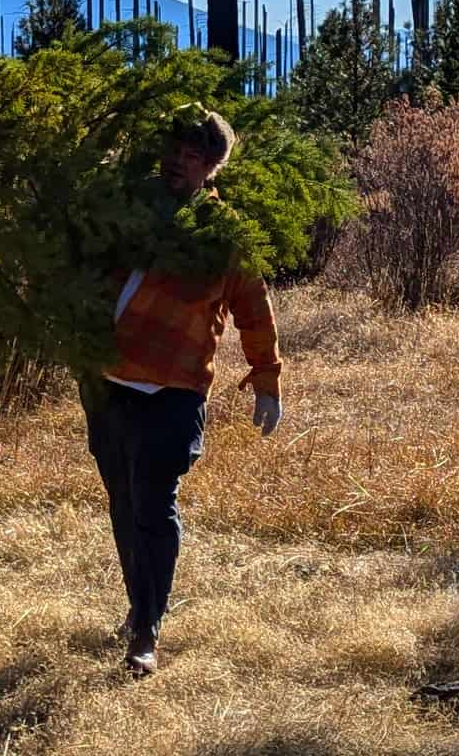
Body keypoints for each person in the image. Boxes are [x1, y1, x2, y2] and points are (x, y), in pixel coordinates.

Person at [85, 105, 283, 677]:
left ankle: (147, 629)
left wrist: (265, 379)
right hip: (105, 383)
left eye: (191, 155)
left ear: (211, 167)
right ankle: (140, 607)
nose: (176, 162)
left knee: (153, 502)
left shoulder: (222, 236)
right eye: (172, 150)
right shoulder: (126, 209)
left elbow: (254, 309)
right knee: (123, 503)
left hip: (175, 389)